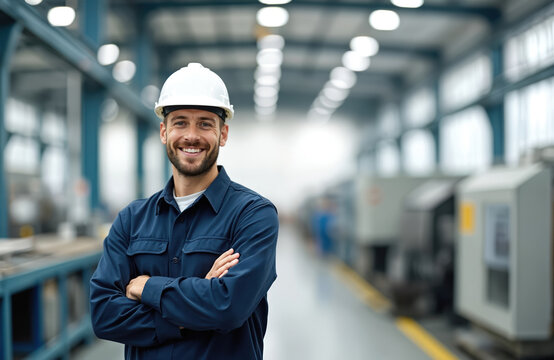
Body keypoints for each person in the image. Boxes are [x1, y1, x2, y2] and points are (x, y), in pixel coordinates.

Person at [90, 63, 279, 360]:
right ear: (164, 132)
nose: (192, 136)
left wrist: (146, 287)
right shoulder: (132, 219)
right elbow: (104, 315)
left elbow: (229, 309)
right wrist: (199, 297)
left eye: (205, 123)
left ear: (223, 133)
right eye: (180, 123)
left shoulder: (253, 215)